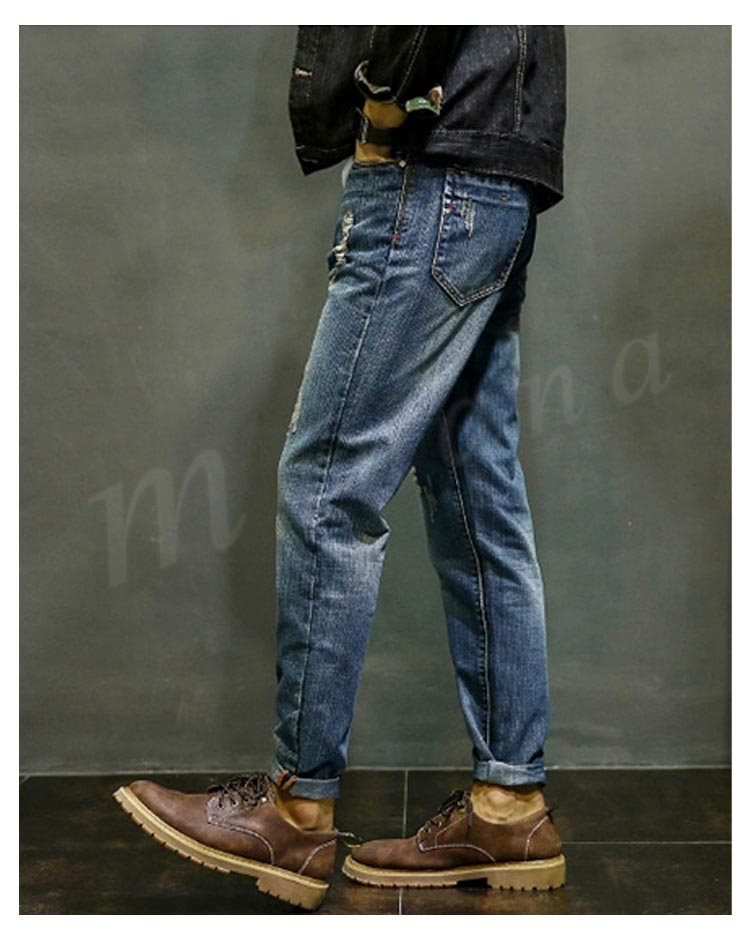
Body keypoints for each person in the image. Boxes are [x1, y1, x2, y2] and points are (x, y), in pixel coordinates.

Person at [114, 25, 568, 911]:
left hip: (431, 168)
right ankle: (509, 805)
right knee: (478, 499)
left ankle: (296, 808)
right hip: (498, 170)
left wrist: (383, 98)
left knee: (328, 487)